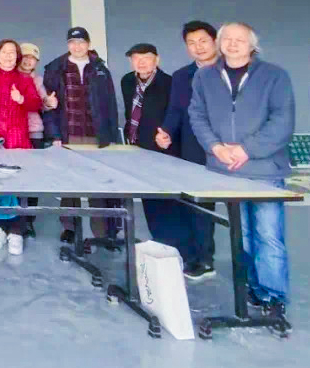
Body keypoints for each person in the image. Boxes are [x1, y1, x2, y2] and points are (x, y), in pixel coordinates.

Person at [189, 22, 295, 316]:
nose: (233, 44)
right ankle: (254, 288)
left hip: (265, 170)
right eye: (227, 39)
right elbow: (197, 115)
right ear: (219, 43)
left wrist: (246, 149)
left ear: (252, 46)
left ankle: (273, 296)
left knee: (268, 236)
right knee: (243, 236)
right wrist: (216, 147)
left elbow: (282, 121)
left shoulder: (275, 76)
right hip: (227, 169)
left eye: (240, 40)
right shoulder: (204, 76)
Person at [42, 27, 120, 246]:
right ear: (68, 45)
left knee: (98, 186)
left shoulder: (100, 69)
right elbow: (48, 106)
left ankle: (101, 232)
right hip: (68, 135)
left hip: (96, 136)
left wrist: (111, 137)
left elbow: (111, 104)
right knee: (69, 185)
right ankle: (69, 228)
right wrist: (54, 135)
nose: (77, 46)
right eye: (72, 42)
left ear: (88, 44)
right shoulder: (55, 68)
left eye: (81, 42)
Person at [156, 21, 221, 279]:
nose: (198, 47)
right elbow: (175, 110)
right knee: (197, 203)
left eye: (203, 41)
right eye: (192, 43)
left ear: (215, 42)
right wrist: (166, 132)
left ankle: (250, 270)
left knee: (245, 210)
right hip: (194, 147)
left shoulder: (232, 70)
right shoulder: (182, 76)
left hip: (231, 148)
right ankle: (202, 259)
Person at [0, 39, 42, 256]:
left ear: (17, 57)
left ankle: (17, 231)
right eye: (4, 52)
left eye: (12, 53)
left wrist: (22, 99)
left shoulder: (24, 79)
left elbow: (36, 103)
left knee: (19, 185)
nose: (8, 56)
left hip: (18, 138)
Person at [120, 43, 180, 258]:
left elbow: (176, 113)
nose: (141, 62)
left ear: (157, 60)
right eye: (136, 58)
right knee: (148, 197)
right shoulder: (127, 81)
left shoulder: (169, 83)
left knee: (166, 197)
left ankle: (171, 244)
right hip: (137, 147)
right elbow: (130, 113)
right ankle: (158, 239)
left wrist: (168, 135)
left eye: (146, 57)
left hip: (162, 148)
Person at [19, 42, 53, 237]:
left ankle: (28, 221)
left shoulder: (38, 80)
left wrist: (49, 103)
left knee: (32, 179)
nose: (28, 60)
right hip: (12, 133)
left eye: (32, 58)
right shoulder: (9, 76)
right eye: (24, 56)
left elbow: (44, 103)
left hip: (34, 133)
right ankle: (10, 220)